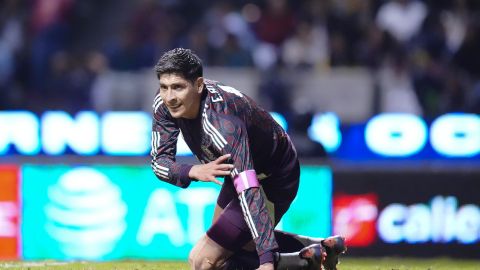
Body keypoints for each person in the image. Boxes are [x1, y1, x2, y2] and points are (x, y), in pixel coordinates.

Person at [150, 48, 346, 270]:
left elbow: (249, 191)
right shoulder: (164, 106)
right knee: (226, 247)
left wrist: (266, 261)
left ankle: (299, 261)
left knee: (202, 261)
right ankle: (313, 250)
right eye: (164, 87)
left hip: (274, 176)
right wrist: (192, 171)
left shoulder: (222, 124)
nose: (170, 97)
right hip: (241, 171)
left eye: (178, 87)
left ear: (198, 85)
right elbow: (159, 163)